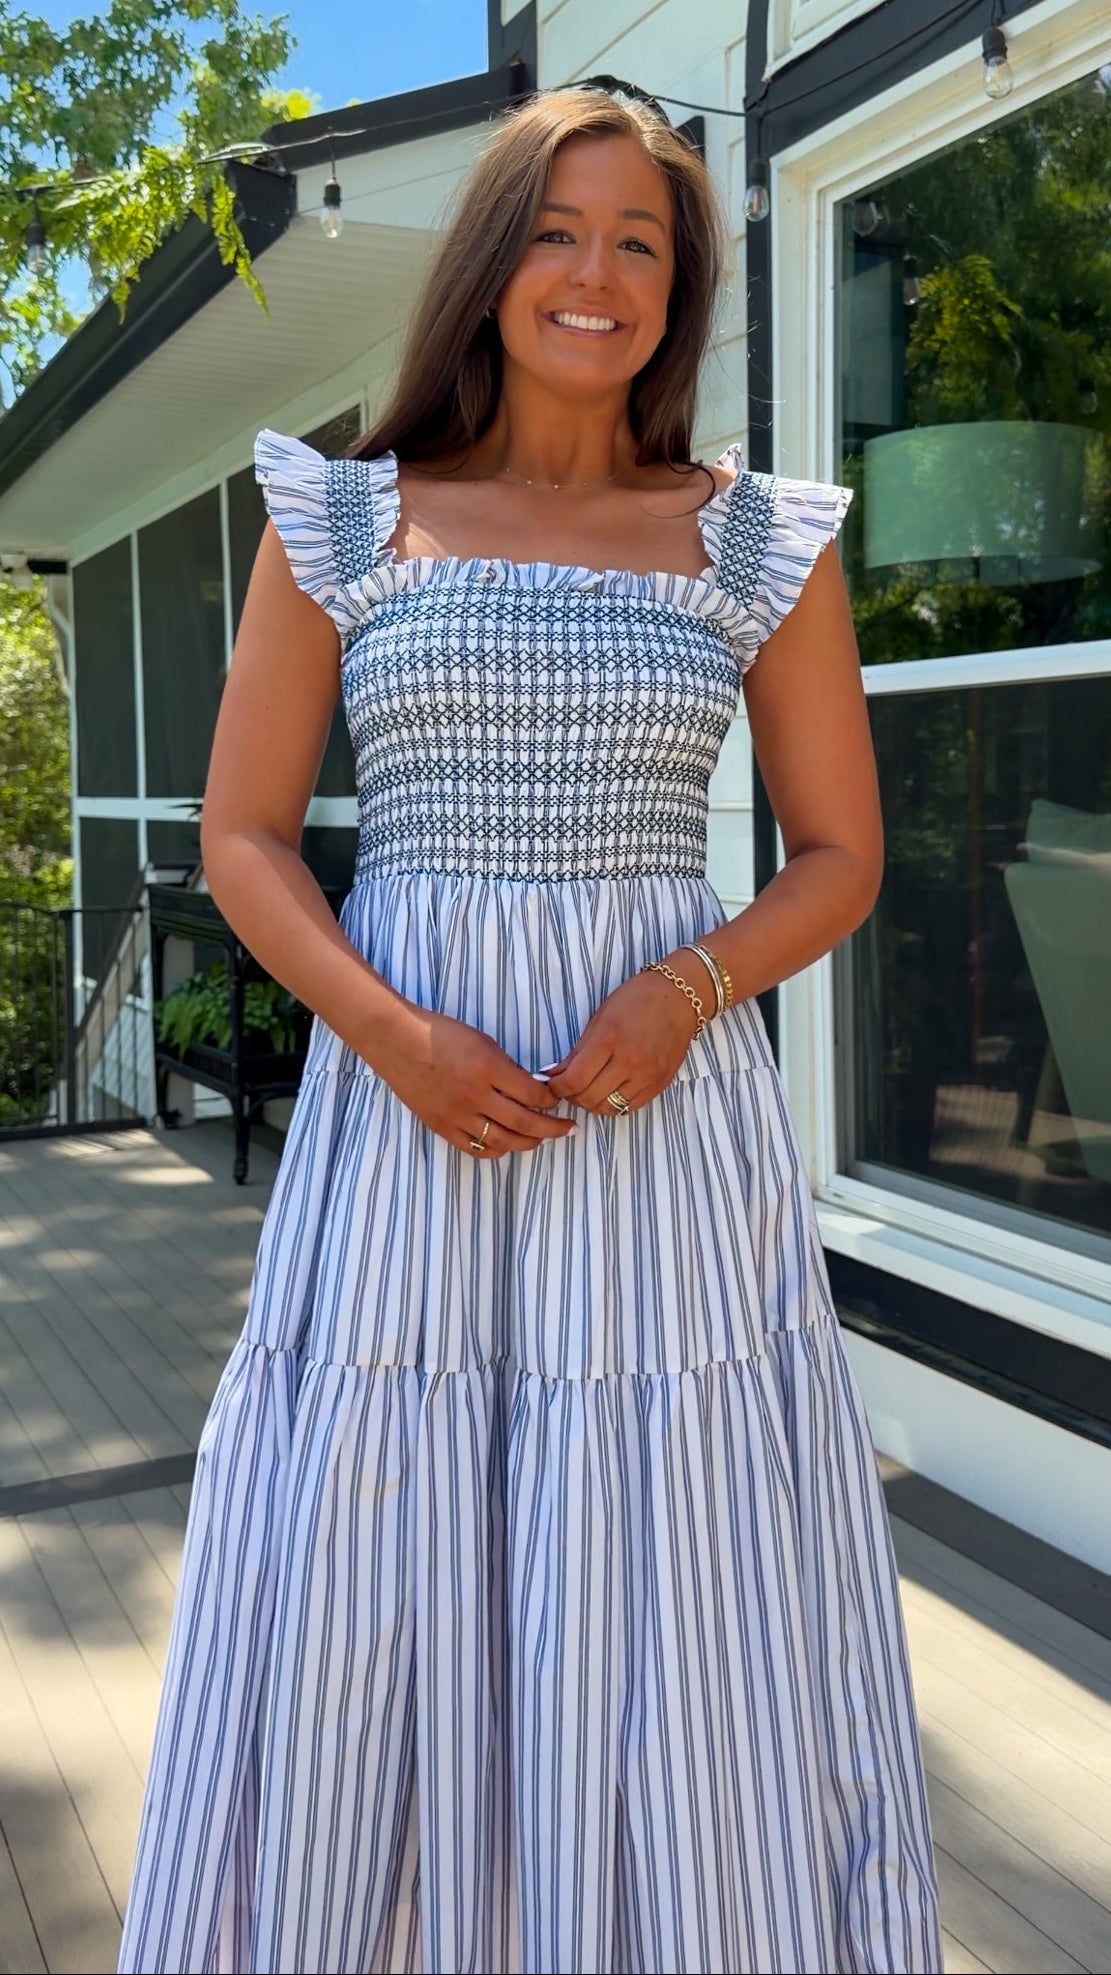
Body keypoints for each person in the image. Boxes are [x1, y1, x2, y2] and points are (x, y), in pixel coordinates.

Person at [118, 81, 942, 1975]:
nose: (598, 275)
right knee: (379, 1543)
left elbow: (838, 857)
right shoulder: (341, 515)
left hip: (661, 1140)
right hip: (403, 1130)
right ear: (494, 266)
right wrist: (393, 1039)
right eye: (559, 233)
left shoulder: (756, 543)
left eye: (640, 242)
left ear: (682, 285)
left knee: (664, 1559)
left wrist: (687, 984)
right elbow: (240, 839)